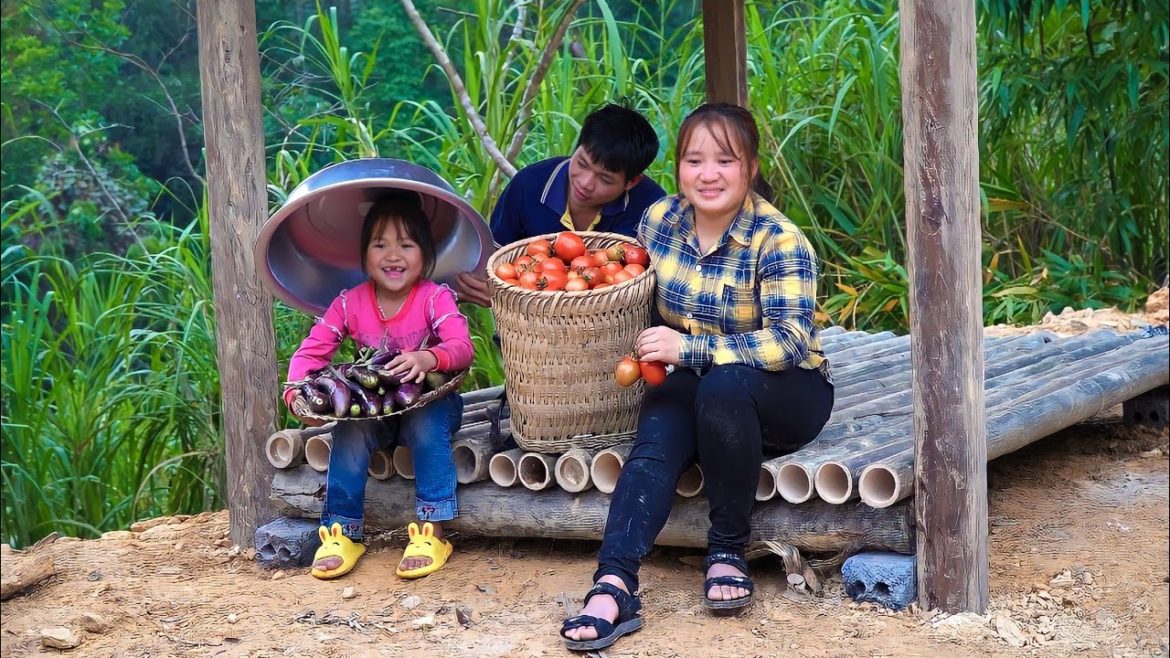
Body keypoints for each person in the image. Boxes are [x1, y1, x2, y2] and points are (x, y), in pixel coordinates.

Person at [559, 103, 835, 651]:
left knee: (724, 386)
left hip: (785, 390)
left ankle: (728, 549)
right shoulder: (659, 221)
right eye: (694, 160)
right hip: (693, 376)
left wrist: (692, 347)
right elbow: (634, 296)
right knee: (657, 438)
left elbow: (789, 341)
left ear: (750, 168)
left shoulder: (778, 240)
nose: (708, 174)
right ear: (679, 167)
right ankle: (613, 583)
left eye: (725, 160)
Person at [285, 191, 473, 580]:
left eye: (406, 244)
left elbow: (461, 347)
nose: (393, 255)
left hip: (433, 405)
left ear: (425, 254)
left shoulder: (434, 298)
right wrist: (295, 389)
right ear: (364, 254)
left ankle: (431, 530)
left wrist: (428, 358)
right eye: (380, 244)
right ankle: (342, 531)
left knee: (424, 426)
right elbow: (312, 352)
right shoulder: (349, 303)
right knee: (350, 433)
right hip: (377, 410)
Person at [454, 103, 666, 306]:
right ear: (577, 147)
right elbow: (497, 261)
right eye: (582, 163)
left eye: (605, 179)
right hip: (525, 333)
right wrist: (495, 293)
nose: (585, 183)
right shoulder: (529, 185)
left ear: (632, 181)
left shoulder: (652, 207)